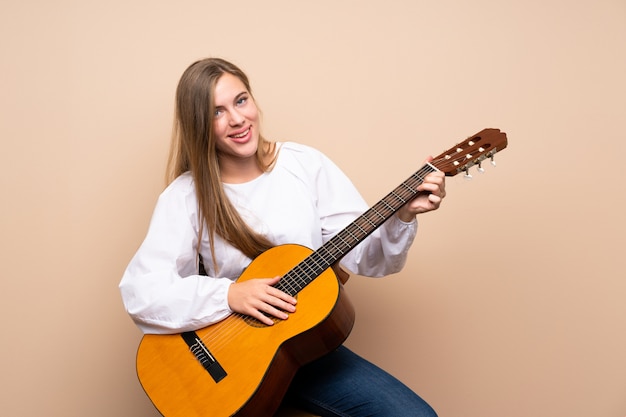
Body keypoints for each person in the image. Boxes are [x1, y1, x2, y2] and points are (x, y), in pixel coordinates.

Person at [119, 57, 445, 417]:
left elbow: (369, 258)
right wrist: (230, 294)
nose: (238, 119)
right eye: (217, 112)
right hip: (233, 364)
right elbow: (141, 291)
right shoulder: (186, 196)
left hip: (307, 349)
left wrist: (401, 215)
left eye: (241, 100)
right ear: (199, 125)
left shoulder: (303, 164)